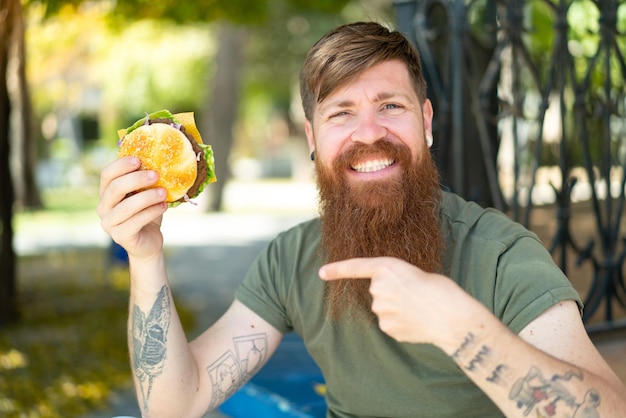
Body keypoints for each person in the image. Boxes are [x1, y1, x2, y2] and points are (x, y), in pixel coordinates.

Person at [97, 21, 626, 418]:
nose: (368, 133)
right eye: (341, 112)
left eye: (391, 106)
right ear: (312, 139)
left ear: (426, 123)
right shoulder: (294, 258)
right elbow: (174, 404)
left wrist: (459, 327)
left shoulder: (502, 255)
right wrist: (145, 257)